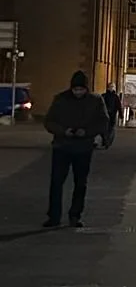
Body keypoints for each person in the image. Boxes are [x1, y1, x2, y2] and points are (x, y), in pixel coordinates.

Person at [43, 72, 110, 229]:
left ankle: (75, 215)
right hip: (62, 146)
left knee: (80, 183)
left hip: (83, 148)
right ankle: (54, 216)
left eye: (81, 89)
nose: (78, 92)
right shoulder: (60, 99)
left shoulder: (95, 100)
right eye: (75, 89)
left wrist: (86, 132)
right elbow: (49, 121)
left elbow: (103, 121)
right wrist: (64, 131)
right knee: (56, 182)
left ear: (86, 88)